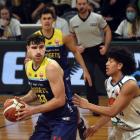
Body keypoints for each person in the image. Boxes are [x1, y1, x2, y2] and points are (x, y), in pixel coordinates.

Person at [27, 8, 92, 140]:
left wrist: (85, 70)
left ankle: (77, 122)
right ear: (40, 21)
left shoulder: (62, 36)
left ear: (54, 20)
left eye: (49, 18)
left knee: (67, 101)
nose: (46, 21)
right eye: (44, 18)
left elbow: (75, 51)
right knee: (46, 96)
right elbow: (29, 57)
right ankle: (53, 123)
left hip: (62, 75)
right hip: (45, 75)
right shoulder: (35, 38)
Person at [16, 34, 78, 140]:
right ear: (28, 49)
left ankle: (79, 122)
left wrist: (32, 110)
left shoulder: (51, 67)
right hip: (46, 116)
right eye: (34, 48)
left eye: (41, 47)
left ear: (45, 47)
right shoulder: (28, 65)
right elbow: (36, 92)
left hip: (64, 116)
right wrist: (20, 100)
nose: (38, 51)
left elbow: (60, 100)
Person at [73, 47, 140, 140]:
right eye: (107, 60)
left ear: (119, 65)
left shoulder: (129, 84)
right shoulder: (108, 82)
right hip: (118, 131)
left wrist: (88, 105)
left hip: (135, 132)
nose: (106, 64)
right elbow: (109, 109)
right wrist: (95, 127)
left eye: (111, 61)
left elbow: (113, 111)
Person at [69, 0, 112, 116]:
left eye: (84, 4)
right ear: (76, 5)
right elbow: (72, 36)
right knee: (89, 78)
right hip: (85, 52)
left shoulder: (97, 17)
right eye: (79, 4)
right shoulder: (72, 21)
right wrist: (76, 47)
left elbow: (107, 30)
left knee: (111, 76)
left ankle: (120, 100)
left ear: (88, 5)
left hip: (99, 50)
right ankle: (94, 108)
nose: (82, 6)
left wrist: (106, 47)